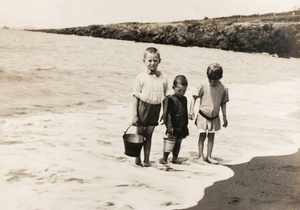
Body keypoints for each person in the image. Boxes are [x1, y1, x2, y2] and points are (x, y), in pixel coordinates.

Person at [132, 47, 168, 167]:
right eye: (150, 60)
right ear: (144, 61)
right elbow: (136, 96)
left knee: (149, 136)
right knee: (139, 136)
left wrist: (164, 112)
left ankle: (146, 160)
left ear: (159, 61)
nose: (152, 63)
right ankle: (137, 160)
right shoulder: (140, 77)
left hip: (156, 108)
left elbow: (166, 97)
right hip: (143, 108)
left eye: (155, 60)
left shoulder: (164, 77)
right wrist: (135, 115)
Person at [189, 63, 229, 164]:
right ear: (207, 76)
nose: (212, 82)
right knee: (202, 136)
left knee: (211, 137)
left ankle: (209, 156)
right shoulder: (203, 85)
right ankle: (200, 156)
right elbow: (194, 97)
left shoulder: (223, 88)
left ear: (221, 77)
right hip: (203, 115)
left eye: (215, 80)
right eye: (210, 80)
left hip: (215, 117)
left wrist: (224, 117)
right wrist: (191, 110)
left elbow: (223, 104)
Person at [160, 75, 189, 165]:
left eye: (184, 90)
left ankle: (175, 158)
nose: (182, 93)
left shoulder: (184, 99)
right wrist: (169, 126)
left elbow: (184, 111)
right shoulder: (170, 99)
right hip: (173, 125)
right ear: (173, 88)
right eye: (179, 90)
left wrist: (185, 125)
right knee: (170, 143)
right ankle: (164, 158)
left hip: (182, 125)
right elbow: (168, 114)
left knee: (178, 143)